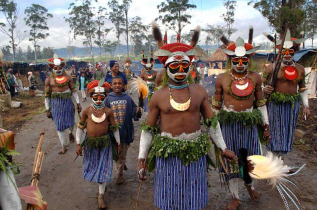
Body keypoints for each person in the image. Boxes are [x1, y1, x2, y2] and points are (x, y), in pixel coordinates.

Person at [137, 23, 237, 210]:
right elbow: (148, 129)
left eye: (184, 66)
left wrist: (223, 148)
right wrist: (142, 157)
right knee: (169, 195)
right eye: (175, 66)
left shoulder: (199, 91)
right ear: (167, 68)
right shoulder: (158, 96)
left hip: (195, 152)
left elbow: (212, 122)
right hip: (168, 153)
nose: (180, 70)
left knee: (194, 194)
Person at [213, 31, 270, 209]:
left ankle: (250, 187)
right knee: (231, 161)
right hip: (228, 125)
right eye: (236, 60)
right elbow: (215, 107)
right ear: (231, 60)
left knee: (249, 159)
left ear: (248, 60)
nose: (239, 64)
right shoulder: (222, 79)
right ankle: (235, 196)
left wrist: (266, 125)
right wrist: (213, 130)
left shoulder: (255, 78)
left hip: (249, 125)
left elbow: (260, 104)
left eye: (243, 60)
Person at [263, 29, 309, 156]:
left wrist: (306, 106)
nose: (287, 53)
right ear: (280, 51)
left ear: (295, 51)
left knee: (287, 132)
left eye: (291, 51)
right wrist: (265, 89)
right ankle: (271, 162)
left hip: (291, 107)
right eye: (284, 51)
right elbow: (261, 86)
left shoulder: (299, 69)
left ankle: (281, 161)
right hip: (275, 106)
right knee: (273, 132)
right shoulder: (272, 68)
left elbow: (302, 88)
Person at [75, 80, 120, 209]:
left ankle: (100, 195)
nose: (99, 99)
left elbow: (114, 128)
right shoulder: (86, 111)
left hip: (105, 144)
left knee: (103, 168)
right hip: (91, 145)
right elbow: (80, 128)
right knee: (94, 167)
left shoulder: (108, 112)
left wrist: (118, 143)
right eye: (96, 96)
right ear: (90, 96)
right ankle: (101, 186)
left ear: (105, 96)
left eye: (102, 96)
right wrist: (78, 144)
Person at [104, 76, 141, 185]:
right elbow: (104, 114)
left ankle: (120, 174)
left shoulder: (128, 98)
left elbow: (135, 113)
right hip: (112, 133)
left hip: (125, 131)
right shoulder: (108, 99)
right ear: (111, 85)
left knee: (122, 151)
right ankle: (121, 162)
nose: (117, 85)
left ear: (124, 86)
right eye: (115, 83)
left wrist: (137, 112)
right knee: (116, 152)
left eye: (119, 83)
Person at [44, 54, 82, 154]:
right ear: (52, 68)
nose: (58, 69)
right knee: (59, 125)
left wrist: (78, 103)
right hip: (56, 104)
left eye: (60, 67)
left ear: (63, 67)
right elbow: (47, 96)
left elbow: (73, 91)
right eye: (55, 68)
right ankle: (63, 145)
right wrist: (47, 109)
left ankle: (70, 132)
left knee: (70, 121)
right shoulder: (49, 80)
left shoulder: (68, 78)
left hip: (68, 103)